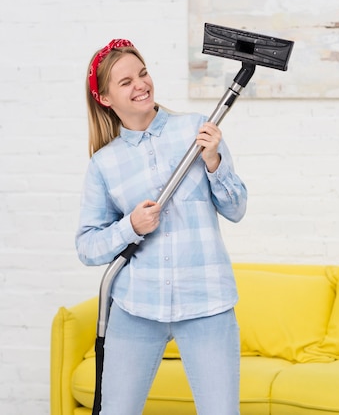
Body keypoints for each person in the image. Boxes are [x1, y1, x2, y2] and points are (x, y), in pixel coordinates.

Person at [75, 39, 248, 415]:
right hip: (137, 306)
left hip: (206, 302)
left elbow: (236, 209)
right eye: (125, 82)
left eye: (143, 73)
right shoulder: (105, 164)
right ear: (105, 98)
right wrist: (130, 227)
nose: (140, 85)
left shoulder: (198, 130)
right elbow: (87, 247)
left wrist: (214, 160)